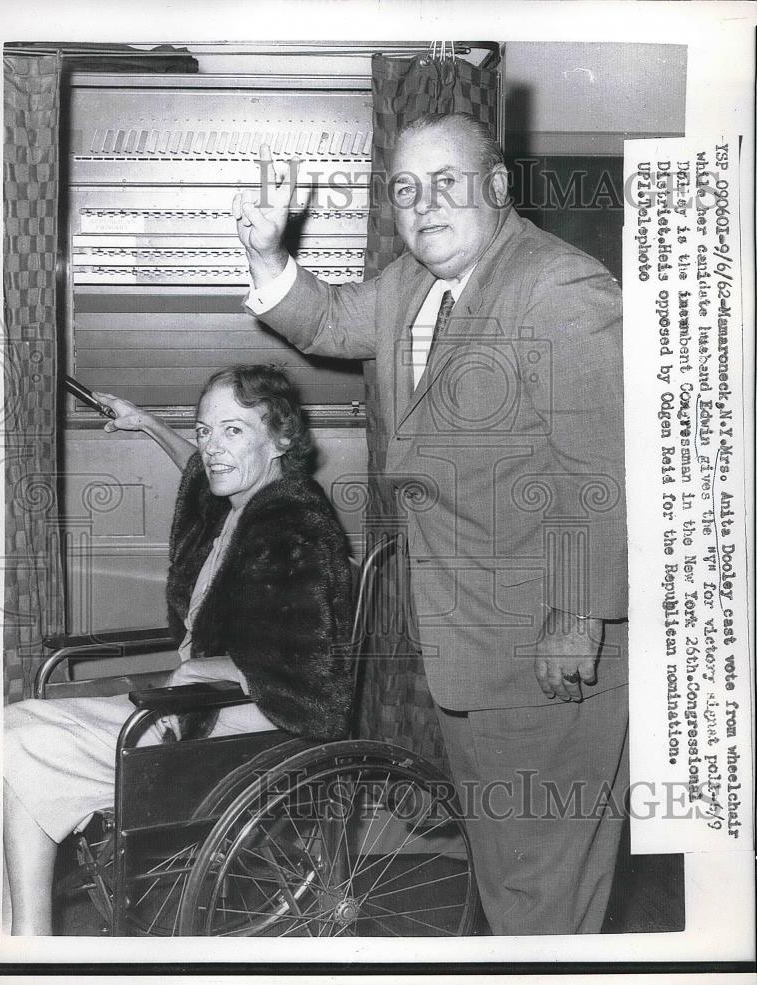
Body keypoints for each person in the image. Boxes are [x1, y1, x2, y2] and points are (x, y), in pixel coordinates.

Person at [231, 112, 629, 935]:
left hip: (548, 644)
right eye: (405, 190)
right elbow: (332, 321)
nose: (423, 205)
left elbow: (603, 469)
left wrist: (579, 613)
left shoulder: (558, 288)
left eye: (445, 182)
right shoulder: (413, 283)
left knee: (545, 887)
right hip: (469, 645)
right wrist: (271, 258)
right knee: (509, 876)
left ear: (497, 185)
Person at [3, 364, 353, 935]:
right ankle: (24, 935)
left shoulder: (294, 527)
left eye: (233, 431)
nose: (211, 447)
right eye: (203, 429)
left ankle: (28, 940)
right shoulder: (244, 503)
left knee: (14, 742)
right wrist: (146, 423)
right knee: (10, 739)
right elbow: (196, 469)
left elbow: (310, 676)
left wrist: (197, 668)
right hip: (199, 705)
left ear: (282, 439)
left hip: (243, 728)